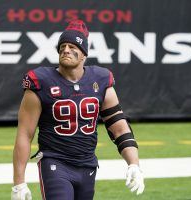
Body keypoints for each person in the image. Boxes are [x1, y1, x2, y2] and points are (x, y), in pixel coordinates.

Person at [11, 19, 145, 200]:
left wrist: (134, 164)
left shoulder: (101, 79)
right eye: (63, 46)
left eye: (73, 46)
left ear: (84, 55)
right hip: (55, 162)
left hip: (87, 164)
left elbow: (119, 127)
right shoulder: (41, 81)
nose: (66, 49)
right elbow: (25, 134)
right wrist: (19, 182)